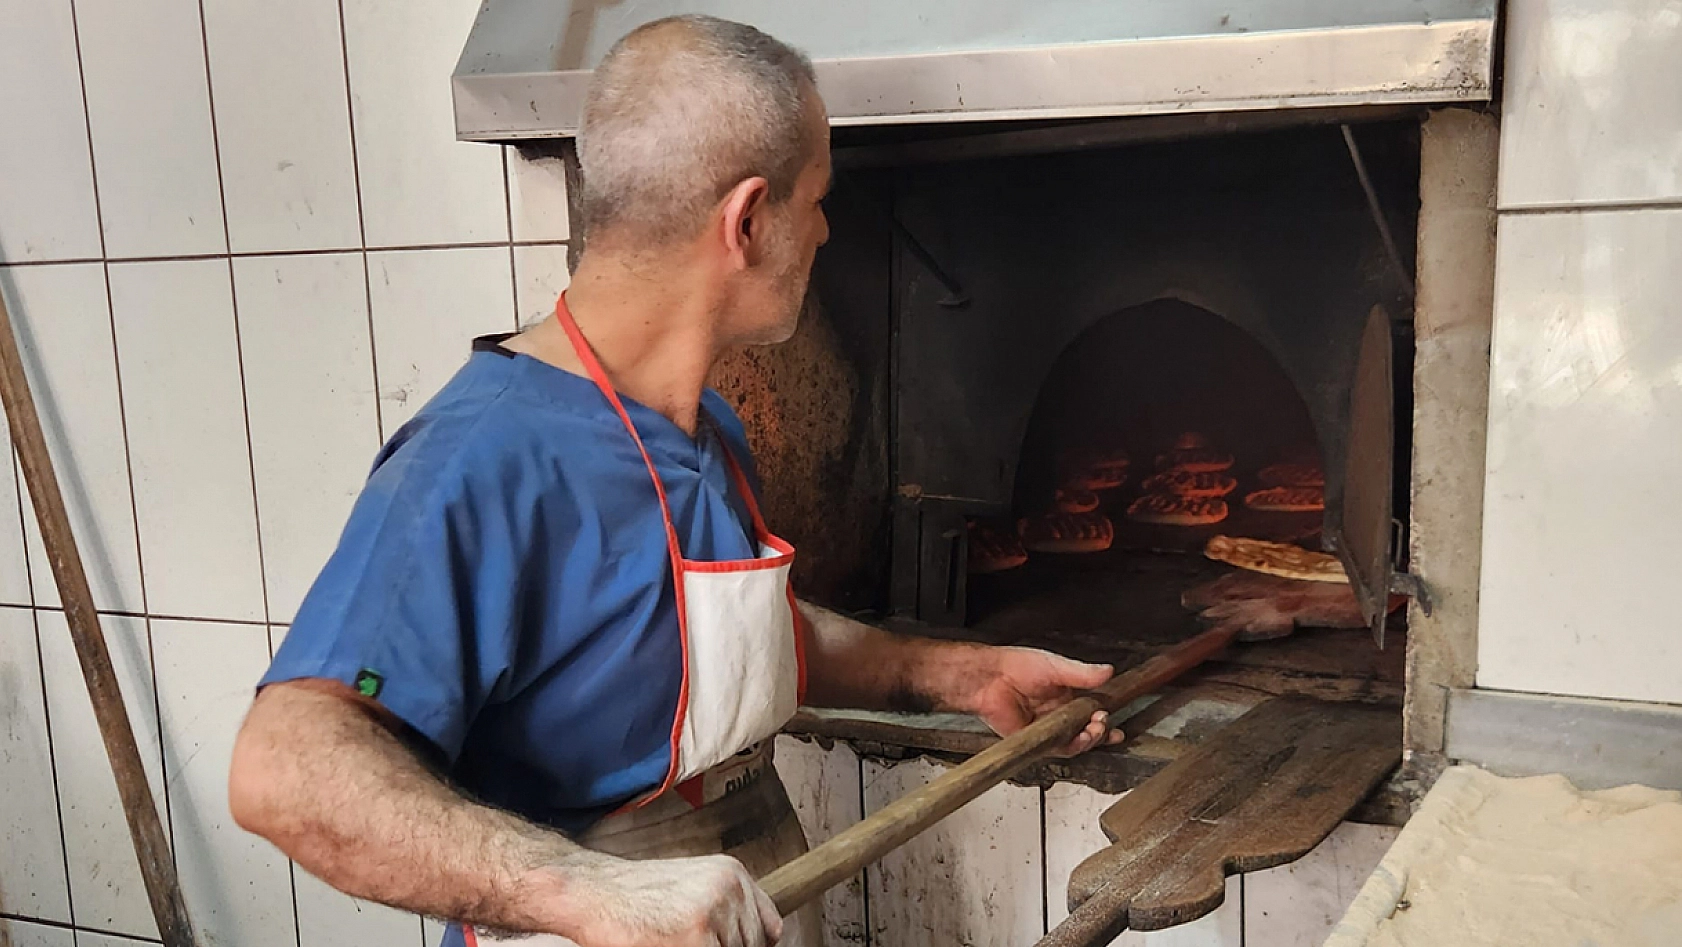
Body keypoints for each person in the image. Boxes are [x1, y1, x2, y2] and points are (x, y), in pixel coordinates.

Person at [229, 15, 1119, 947]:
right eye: (817, 197)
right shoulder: (484, 457)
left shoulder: (705, 426)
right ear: (746, 221)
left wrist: (958, 673)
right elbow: (284, 766)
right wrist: (585, 889)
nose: (823, 229)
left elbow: (729, 644)